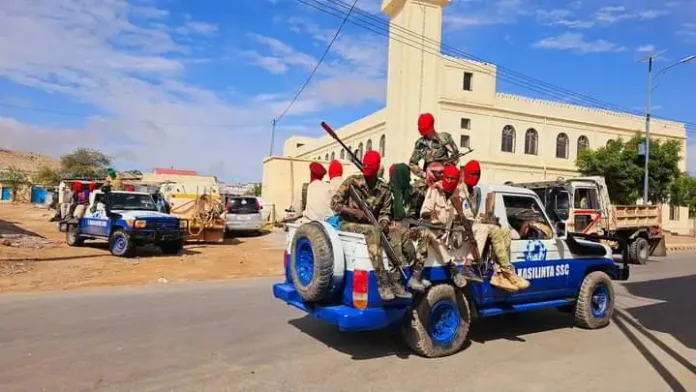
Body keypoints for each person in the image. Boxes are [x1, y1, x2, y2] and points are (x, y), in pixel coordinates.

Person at [331, 150, 410, 301]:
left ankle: (396, 279)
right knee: (373, 232)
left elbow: (385, 212)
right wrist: (354, 211)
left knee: (395, 230)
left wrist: (384, 223)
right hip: (348, 223)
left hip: (371, 223)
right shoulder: (352, 182)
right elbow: (334, 204)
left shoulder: (384, 188)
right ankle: (382, 281)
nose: (367, 176)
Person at [460, 160, 530, 292]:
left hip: (471, 224)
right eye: (473, 173)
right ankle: (506, 271)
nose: (476, 176)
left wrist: (485, 219)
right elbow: (462, 214)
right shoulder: (460, 190)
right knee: (490, 228)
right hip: (460, 227)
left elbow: (472, 215)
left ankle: (499, 274)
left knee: (505, 231)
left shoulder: (474, 192)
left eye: (478, 174)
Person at [418, 165, 473, 288]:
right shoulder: (434, 189)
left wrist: (461, 216)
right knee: (429, 233)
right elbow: (424, 212)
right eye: (447, 178)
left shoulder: (461, 194)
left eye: (452, 179)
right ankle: (452, 268)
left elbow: (469, 216)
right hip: (434, 231)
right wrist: (429, 214)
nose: (449, 181)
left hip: (451, 235)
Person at [389, 163, 429, 292]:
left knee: (424, 233)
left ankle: (416, 276)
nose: (409, 179)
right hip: (392, 229)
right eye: (406, 176)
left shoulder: (410, 193)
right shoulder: (389, 193)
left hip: (406, 228)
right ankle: (397, 280)